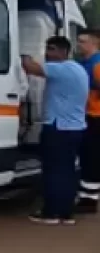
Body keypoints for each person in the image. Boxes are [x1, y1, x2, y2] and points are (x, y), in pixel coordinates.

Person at [22, 35, 88, 225]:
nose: (47, 53)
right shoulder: (78, 69)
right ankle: (66, 213)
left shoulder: (61, 69)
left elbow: (30, 68)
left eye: (51, 49)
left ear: (62, 51)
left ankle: (51, 213)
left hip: (59, 128)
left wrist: (22, 55)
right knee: (67, 172)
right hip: (74, 129)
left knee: (52, 171)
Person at [76, 29, 100, 212]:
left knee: (92, 158)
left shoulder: (97, 64)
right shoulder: (84, 63)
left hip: (95, 117)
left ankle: (90, 200)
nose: (79, 44)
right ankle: (86, 195)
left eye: (83, 41)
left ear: (94, 43)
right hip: (87, 115)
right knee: (86, 157)